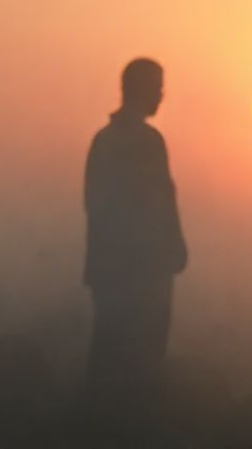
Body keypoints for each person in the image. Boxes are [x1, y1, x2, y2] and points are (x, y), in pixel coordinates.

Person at [82, 57, 187, 435]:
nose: (162, 95)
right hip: (138, 268)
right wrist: (173, 245)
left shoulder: (108, 140)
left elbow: (96, 207)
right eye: (157, 87)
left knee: (112, 348)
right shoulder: (141, 142)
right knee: (134, 352)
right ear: (139, 89)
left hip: (118, 268)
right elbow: (155, 201)